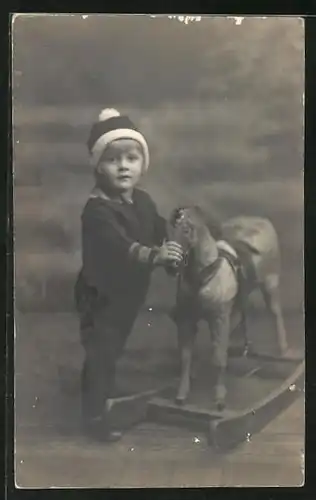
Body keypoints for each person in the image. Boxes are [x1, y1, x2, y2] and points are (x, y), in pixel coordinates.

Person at [74, 108, 183, 442]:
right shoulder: (97, 210)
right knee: (102, 348)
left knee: (113, 345)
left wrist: (178, 236)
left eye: (131, 158)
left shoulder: (143, 201)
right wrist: (157, 255)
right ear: (97, 166)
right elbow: (121, 248)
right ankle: (94, 416)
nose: (123, 166)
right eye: (112, 160)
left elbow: (159, 227)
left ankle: (103, 390)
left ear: (142, 163)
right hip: (99, 294)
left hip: (127, 294)